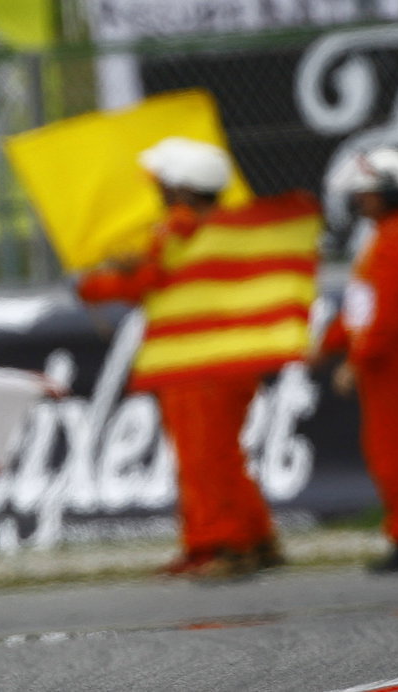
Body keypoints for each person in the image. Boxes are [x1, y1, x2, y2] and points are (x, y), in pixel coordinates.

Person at [77, 139, 281, 579]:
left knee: (201, 459)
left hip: (196, 361)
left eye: (166, 185)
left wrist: (94, 284)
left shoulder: (177, 228)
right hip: (233, 356)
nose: (160, 193)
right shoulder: (232, 228)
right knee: (223, 455)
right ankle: (255, 538)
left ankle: (221, 546)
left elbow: (145, 282)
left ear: (185, 189)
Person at [309, 147, 398, 573]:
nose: (358, 199)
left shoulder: (396, 239)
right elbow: (361, 309)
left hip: (392, 359)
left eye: (366, 192)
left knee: (392, 450)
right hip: (391, 355)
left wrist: (356, 360)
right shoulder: (391, 235)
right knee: (387, 448)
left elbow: (385, 314)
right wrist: (330, 345)